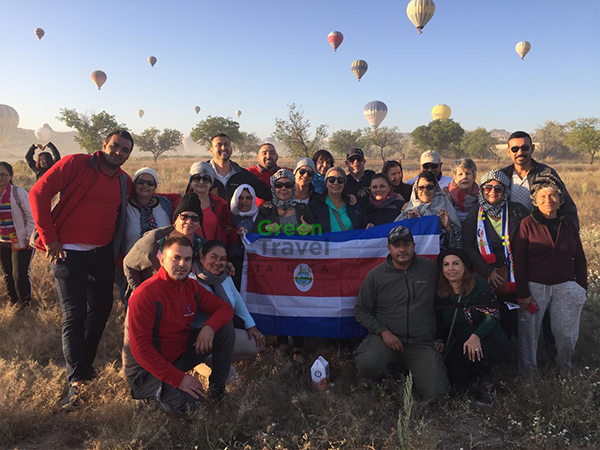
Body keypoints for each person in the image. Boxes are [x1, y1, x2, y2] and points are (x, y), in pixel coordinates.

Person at [29, 129, 133, 407]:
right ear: (104, 145)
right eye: (115, 146)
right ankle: (76, 381)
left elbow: (143, 201)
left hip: (102, 255)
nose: (118, 153)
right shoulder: (76, 163)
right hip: (67, 253)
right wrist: (49, 239)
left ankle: (84, 366)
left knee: (101, 310)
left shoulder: (125, 181)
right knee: (74, 315)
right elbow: (38, 193)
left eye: (125, 150)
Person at [122, 236, 234, 414]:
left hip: (177, 357)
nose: (182, 264)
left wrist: (209, 327)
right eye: (176, 258)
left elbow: (225, 309)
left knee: (225, 329)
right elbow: (140, 349)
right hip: (145, 371)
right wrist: (179, 379)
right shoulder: (145, 294)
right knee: (191, 405)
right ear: (162, 260)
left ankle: (217, 392)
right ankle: (150, 395)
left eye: (187, 259)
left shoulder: (191, 286)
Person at [354, 226, 450, 401]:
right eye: (396, 245)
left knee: (438, 396)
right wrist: (384, 332)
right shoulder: (376, 276)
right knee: (368, 363)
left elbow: (446, 297)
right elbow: (361, 310)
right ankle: (387, 379)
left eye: (406, 244)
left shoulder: (430, 269)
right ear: (389, 249)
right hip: (387, 340)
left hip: (420, 342)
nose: (402, 249)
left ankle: (414, 375)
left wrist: (440, 337)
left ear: (413, 246)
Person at [514, 175, 587, 375]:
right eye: (543, 196)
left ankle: (565, 369)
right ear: (535, 201)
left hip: (565, 285)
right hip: (533, 286)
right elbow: (518, 260)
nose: (548, 200)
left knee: (565, 333)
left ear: (560, 199)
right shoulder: (527, 224)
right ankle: (528, 374)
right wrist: (523, 292)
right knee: (529, 333)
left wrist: (581, 287)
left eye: (553, 195)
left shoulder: (568, 223)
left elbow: (579, 257)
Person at [435, 249, 509, 406]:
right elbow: (441, 320)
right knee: (454, 375)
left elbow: (492, 315)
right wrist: (440, 339)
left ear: (464, 267)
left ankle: (486, 384)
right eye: (446, 265)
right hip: (462, 342)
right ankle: (469, 382)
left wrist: (476, 336)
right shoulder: (442, 293)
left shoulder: (479, 286)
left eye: (456, 264)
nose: (451, 269)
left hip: (489, 340)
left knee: (475, 350)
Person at [461, 170, 529, 339]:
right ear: (482, 190)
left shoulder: (517, 211)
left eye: (498, 189)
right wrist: (488, 271)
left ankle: (515, 346)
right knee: (492, 310)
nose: (493, 192)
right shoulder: (474, 215)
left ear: (505, 191)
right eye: (488, 188)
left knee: (514, 313)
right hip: (487, 272)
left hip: (515, 271)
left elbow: (529, 240)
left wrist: (511, 268)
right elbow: (469, 246)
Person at [192, 239, 264, 362]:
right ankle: (202, 361)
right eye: (213, 257)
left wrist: (250, 325)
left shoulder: (225, 275)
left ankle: (213, 360)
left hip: (223, 331)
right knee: (234, 381)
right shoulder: (192, 281)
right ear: (202, 257)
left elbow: (236, 298)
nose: (218, 263)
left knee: (256, 343)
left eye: (222, 259)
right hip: (199, 337)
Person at [123, 193, 205, 294]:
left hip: (181, 296)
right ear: (175, 220)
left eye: (195, 218)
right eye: (184, 216)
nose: (189, 221)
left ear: (199, 224)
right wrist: (139, 290)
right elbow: (128, 263)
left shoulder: (200, 244)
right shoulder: (155, 239)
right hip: (152, 295)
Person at [500, 131, 578, 226]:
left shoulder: (546, 172)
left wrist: (572, 234)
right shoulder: (502, 175)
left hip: (540, 230)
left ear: (532, 149)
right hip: (509, 232)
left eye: (525, 148)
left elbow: (567, 206)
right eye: (515, 149)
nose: (520, 152)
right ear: (508, 152)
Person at [396, 171, 462, 250]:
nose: (425, 191)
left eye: (430, 187)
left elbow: (458, 243)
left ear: (436, 189)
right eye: (421, 187)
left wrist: (447, 228)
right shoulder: (408, 211)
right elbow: (395, 240)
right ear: (416, 189)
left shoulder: (445, 209)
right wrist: (410, 223)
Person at [0, 162, 35, 308]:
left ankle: (25, 302)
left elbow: (31, 216)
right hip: (2, 240)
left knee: (19, 273)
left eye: (3, 174)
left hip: (20, 240)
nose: (0, 178)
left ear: (11, 176)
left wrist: (28, 237)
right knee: (8, 273)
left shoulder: (18, 193)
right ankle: (13, 301)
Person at [180, 162, 237, 244]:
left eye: (206, 179)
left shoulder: (220, 203)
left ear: (211, 183)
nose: (201, 182)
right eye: (196, 178)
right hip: (187, 253)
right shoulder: (181, 202)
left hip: (212, 253)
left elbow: (228, 228)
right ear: (190, 182)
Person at [207, 133, 271, 204]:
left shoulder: (243, 175)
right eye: (219, 145)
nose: (223, 148)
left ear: (231, 150)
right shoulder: (203, 175)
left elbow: (267, 193)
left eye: (226, 144)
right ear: (211, 151)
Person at [123, 167, 173, 256]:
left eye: (150, 184)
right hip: (131, 262)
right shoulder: (125, 207)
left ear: (155, 187)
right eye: (141, 182)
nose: (145, 185)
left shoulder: (166, 205)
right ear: (134, 184)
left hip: (161, 263)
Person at [309, 167, 369, 233]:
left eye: (340, 180)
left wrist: (370, 226)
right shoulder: (315, 206)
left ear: (344, 184)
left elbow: (363, 225)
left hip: (350, 243)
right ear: (326, 183)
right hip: (327, 242)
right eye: (331, 180)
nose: (336, 183)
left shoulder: (353, 204)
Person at [229, 184, 259, 289]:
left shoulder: (260, 216)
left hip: (255, 266)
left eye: (248, 198)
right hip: (234, 265)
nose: (244, 201)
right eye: (240, 198)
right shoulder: (228, 217)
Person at [448, 158, 479, 223]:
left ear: (474, 176)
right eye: (460, 174)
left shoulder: (482, 197)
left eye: (468, 173)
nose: (464, 177)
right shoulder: (447, 198)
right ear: (454, 178)